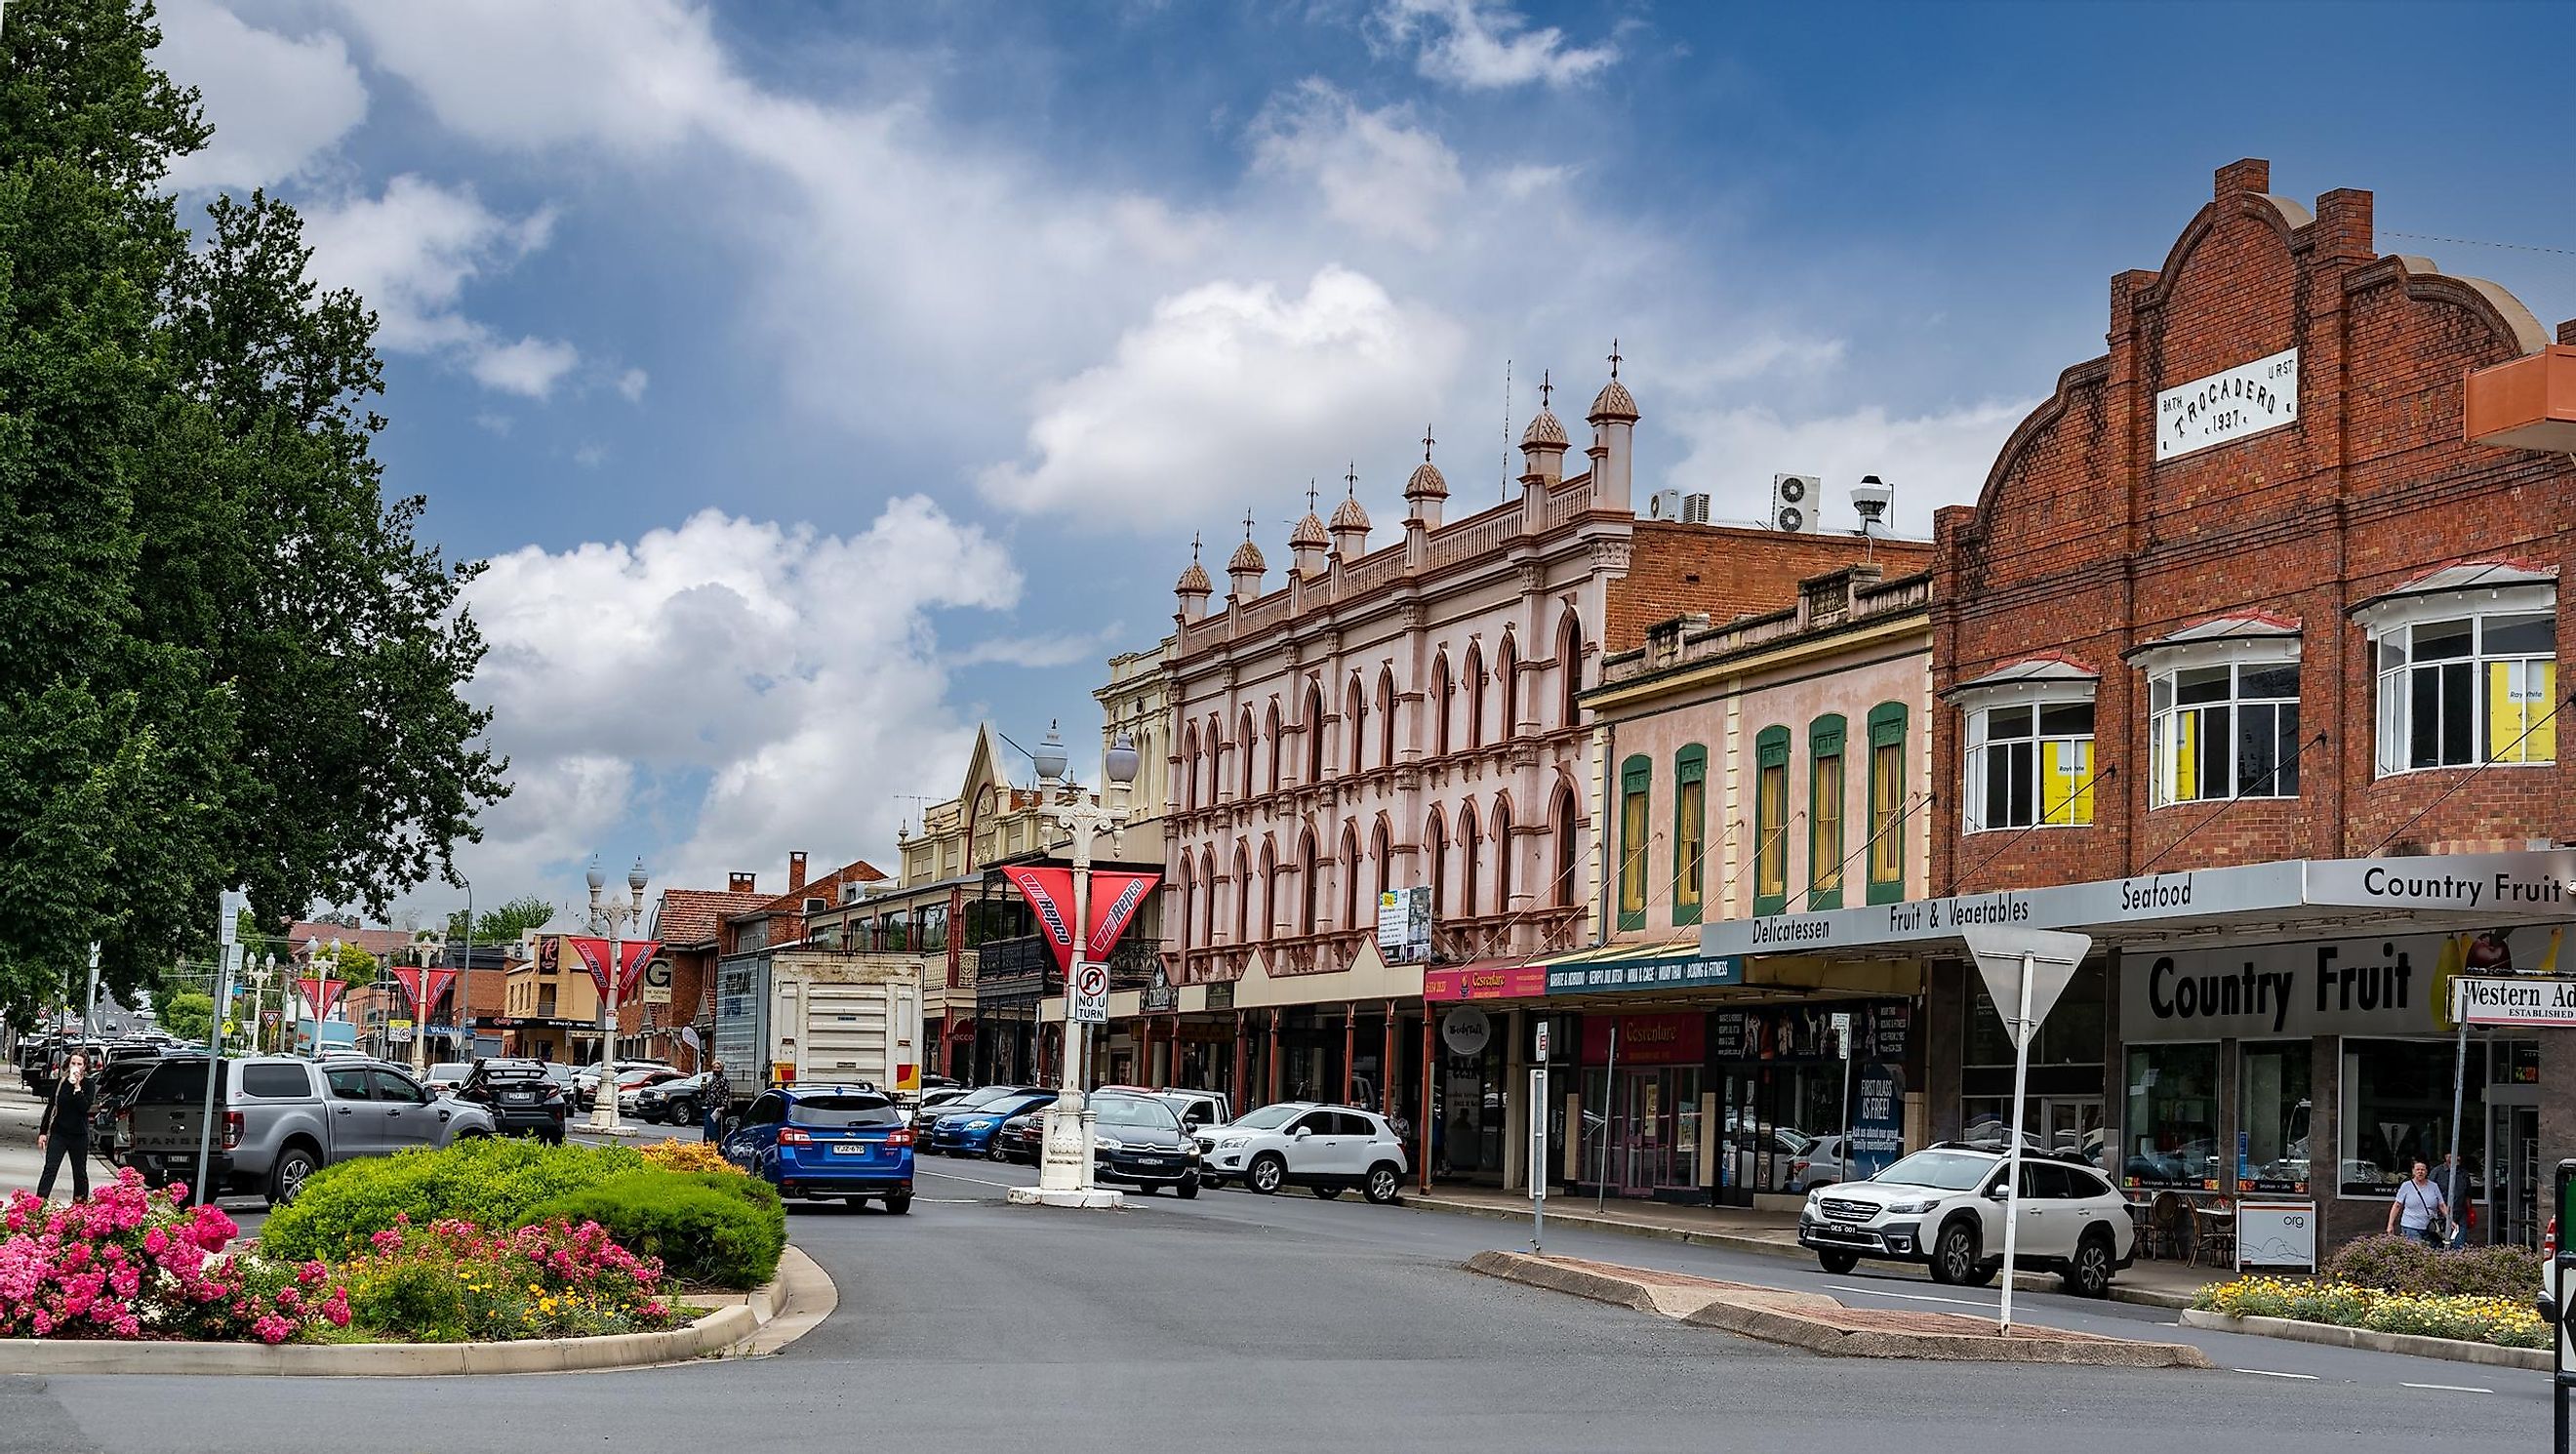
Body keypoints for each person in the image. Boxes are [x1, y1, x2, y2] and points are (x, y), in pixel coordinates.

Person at [35, 1051, 93, 1202]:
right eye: (73, 1063)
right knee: (50, 1168)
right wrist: (43, 1132)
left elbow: (84, 1107)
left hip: (79, 1135)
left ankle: (79, 1206)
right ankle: (38, 1203)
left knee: (79, 1172)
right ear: (68, 1064)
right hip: (59, 1133)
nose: (75, 1066)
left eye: (79, 1064)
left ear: (85, 1067)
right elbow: (51, 1107)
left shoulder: (88, 1084)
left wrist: (78, 1087)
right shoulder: (61, 1082)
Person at [2386, 1159, 2449, 1245]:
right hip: (2410, 1226)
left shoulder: (2434, 1186)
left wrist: (2450, 1220)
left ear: (2426, 1171)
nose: (2420, 1172)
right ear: (2413, 1171)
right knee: (2417, 1251)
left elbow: (2441, 1205)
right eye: (2417, 1170)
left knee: (2431, 1253)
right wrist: (2390, 1224)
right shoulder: (2406, 1186)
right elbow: (2397, 1205)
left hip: (2430, 1228)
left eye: (2422, 1170)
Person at [2435, 1153, 2475, 1247]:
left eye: (2458, 1155)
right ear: (2445, 1157)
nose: (2456, 1158)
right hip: (2441, 1216)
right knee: (2440, 1245)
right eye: (2451, 1156)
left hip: (2461, 1215)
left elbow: (2468, 1194)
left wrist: (2470, 1212)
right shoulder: (2437, 1172)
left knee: (2459, 1245)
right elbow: (2430, 1192)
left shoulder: (2464, 1173)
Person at [702, 1059, 731, 1143]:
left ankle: (715, 1147)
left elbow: (726, 1094)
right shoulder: (712, 1081)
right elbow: (706, 1092)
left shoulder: (724, 1080)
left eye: (718, 1068)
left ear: (721, 1069)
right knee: (708, 1129)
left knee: (715, 1130)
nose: (716, 1069)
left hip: (717, 1109)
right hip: (709, 1106)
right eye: (714, 1067)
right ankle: (707, 1146)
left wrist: (723, 1106)